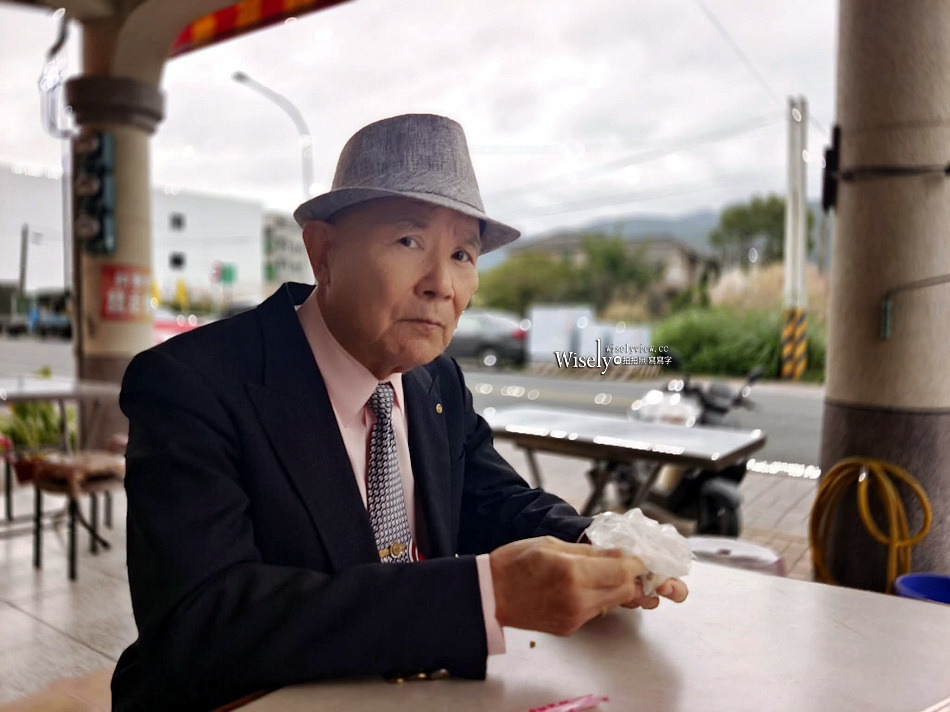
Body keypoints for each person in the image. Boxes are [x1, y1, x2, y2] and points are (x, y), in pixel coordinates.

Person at [112, 114, 687, 711]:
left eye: (463, 253)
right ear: (324, 252)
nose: (441, 284)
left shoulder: (435, 379)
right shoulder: (192, 385)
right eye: (409, 241)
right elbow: (201, 620)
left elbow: (486, 499)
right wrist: (484, 596)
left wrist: (595, 545)